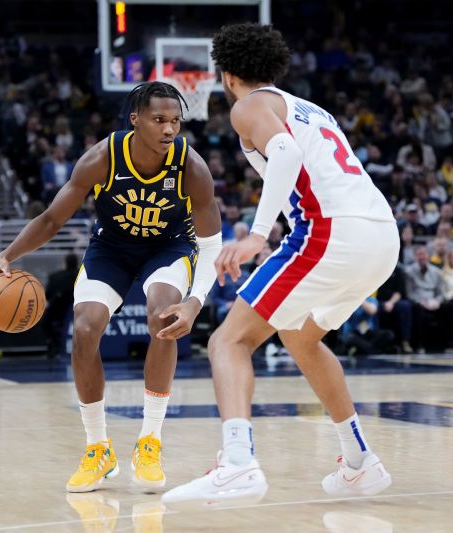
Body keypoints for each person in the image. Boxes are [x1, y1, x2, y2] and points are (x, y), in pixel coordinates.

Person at [163, 24, 398, 507]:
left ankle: (238, 465)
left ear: (227, 75)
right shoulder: (309, 108)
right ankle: (359, 462)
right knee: (301, 338)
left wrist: (257, 234)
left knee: (228, 340)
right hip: (381, 235)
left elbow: (286, 152)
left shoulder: (248, 105)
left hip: (331, 231)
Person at [0, 81, 222, 493]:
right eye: (159, 120)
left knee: (163, 316)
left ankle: (150, 441)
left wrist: (196, 301)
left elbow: (213, 245)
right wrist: (6, 256)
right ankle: (98, 449)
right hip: (111, 247)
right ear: (135, 120)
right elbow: (53, 219)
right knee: (86, 329)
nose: (168, 130)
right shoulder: (102, 158)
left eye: (175, 122)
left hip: (170, 246)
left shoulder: (191, 167)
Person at [43, 254, 80, 355]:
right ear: (77, 263)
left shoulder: (55, 277)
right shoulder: (82, 276)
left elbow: (47, 296)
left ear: (65, 263)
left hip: (57, 313)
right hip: (77, 313)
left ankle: (53, 343)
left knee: (45, 321)